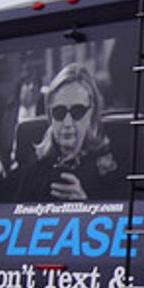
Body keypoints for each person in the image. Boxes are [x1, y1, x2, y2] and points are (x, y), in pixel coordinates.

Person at [14, 62, 121, 201]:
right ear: (50, 115)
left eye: (77, 111)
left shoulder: (110, 167)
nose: (68, 123)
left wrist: (85, 205)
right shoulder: (35, 165)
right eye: (59, 112)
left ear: (91, 112)